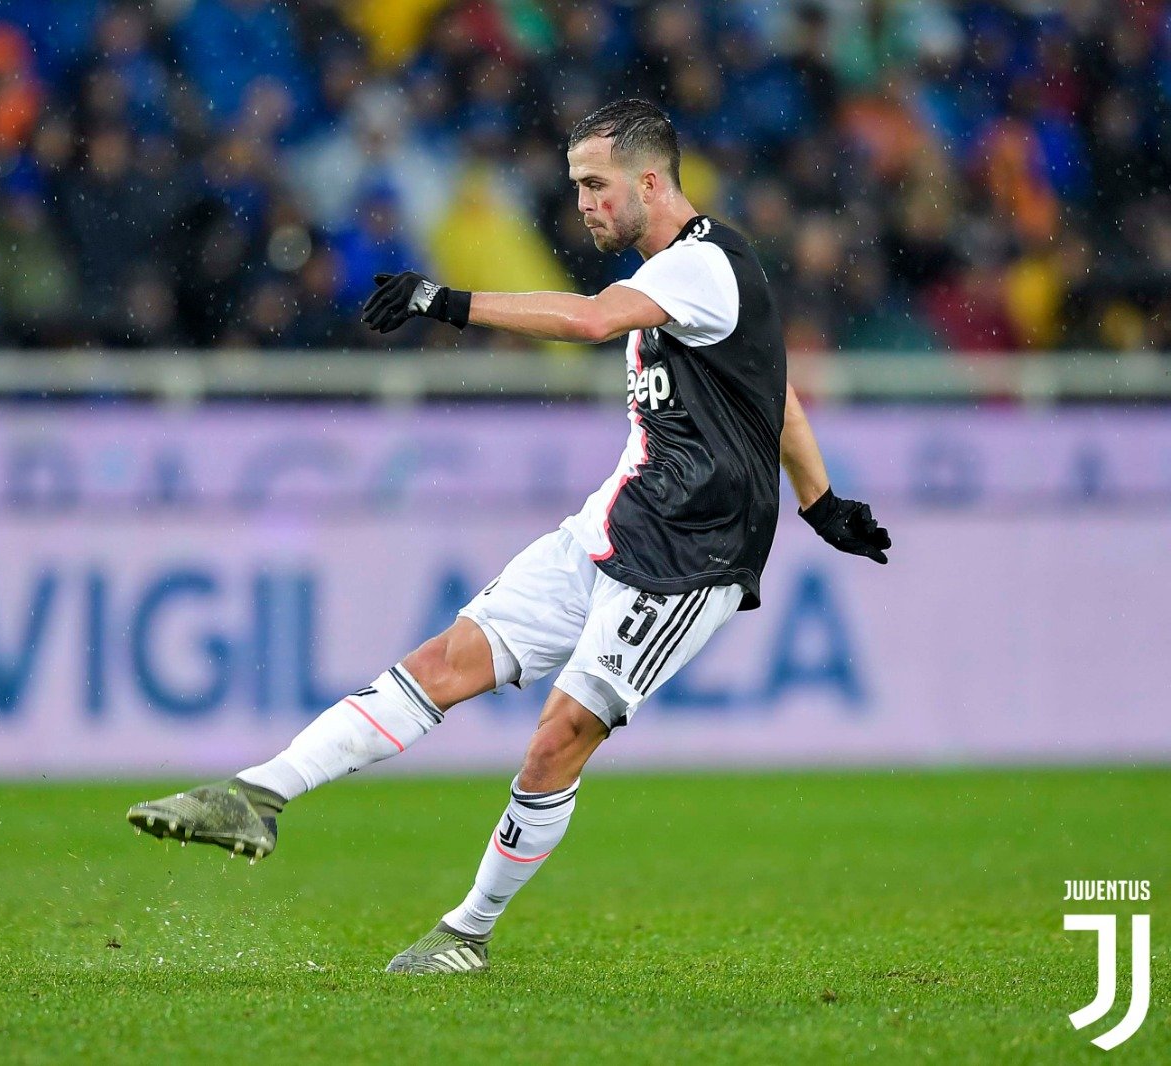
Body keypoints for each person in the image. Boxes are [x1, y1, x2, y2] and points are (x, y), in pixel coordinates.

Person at [127, 99, 890, 974]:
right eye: (577, 187)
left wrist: (447, 301)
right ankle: (257, 795)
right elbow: (774, 393)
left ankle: (467, 932)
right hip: (612, 526)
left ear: (650, 181)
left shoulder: (703, 264)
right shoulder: (686, 279)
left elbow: (591, 320)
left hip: (691, 558)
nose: (584, 205)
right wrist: (821, 503)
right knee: (445, 661)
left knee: (559, 735)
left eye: (596, 185)